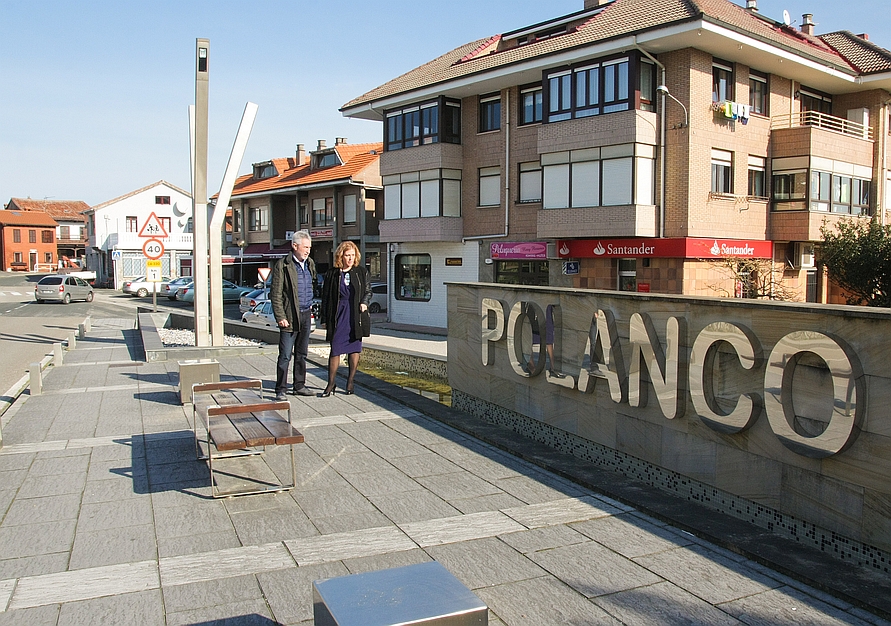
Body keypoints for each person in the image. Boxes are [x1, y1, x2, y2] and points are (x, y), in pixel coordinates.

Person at [318, 241, 372, 396]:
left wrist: (364, 302)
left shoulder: (361, 272)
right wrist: (324, 319)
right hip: (338, 313)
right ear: (341, 256)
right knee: (335, 349)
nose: (350, 258)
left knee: (354, 349)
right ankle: (331, 384)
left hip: (355, 314)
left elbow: (368, 290)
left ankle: (350, 382)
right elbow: (326, 297)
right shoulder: (332, 273)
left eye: (352, 255)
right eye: (347, 255)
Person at [270, 230, 317, 400]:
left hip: (305, 313)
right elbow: (275, 294)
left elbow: (312, 286)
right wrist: (280, 316)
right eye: (305, 247)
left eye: (309, 247)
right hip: (289, 316)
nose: (308, 250)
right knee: (285, 355)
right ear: (295, 246)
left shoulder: (310, 263)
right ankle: (280, 388)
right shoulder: (283, 265)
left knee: (302, 353)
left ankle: (299, 385)